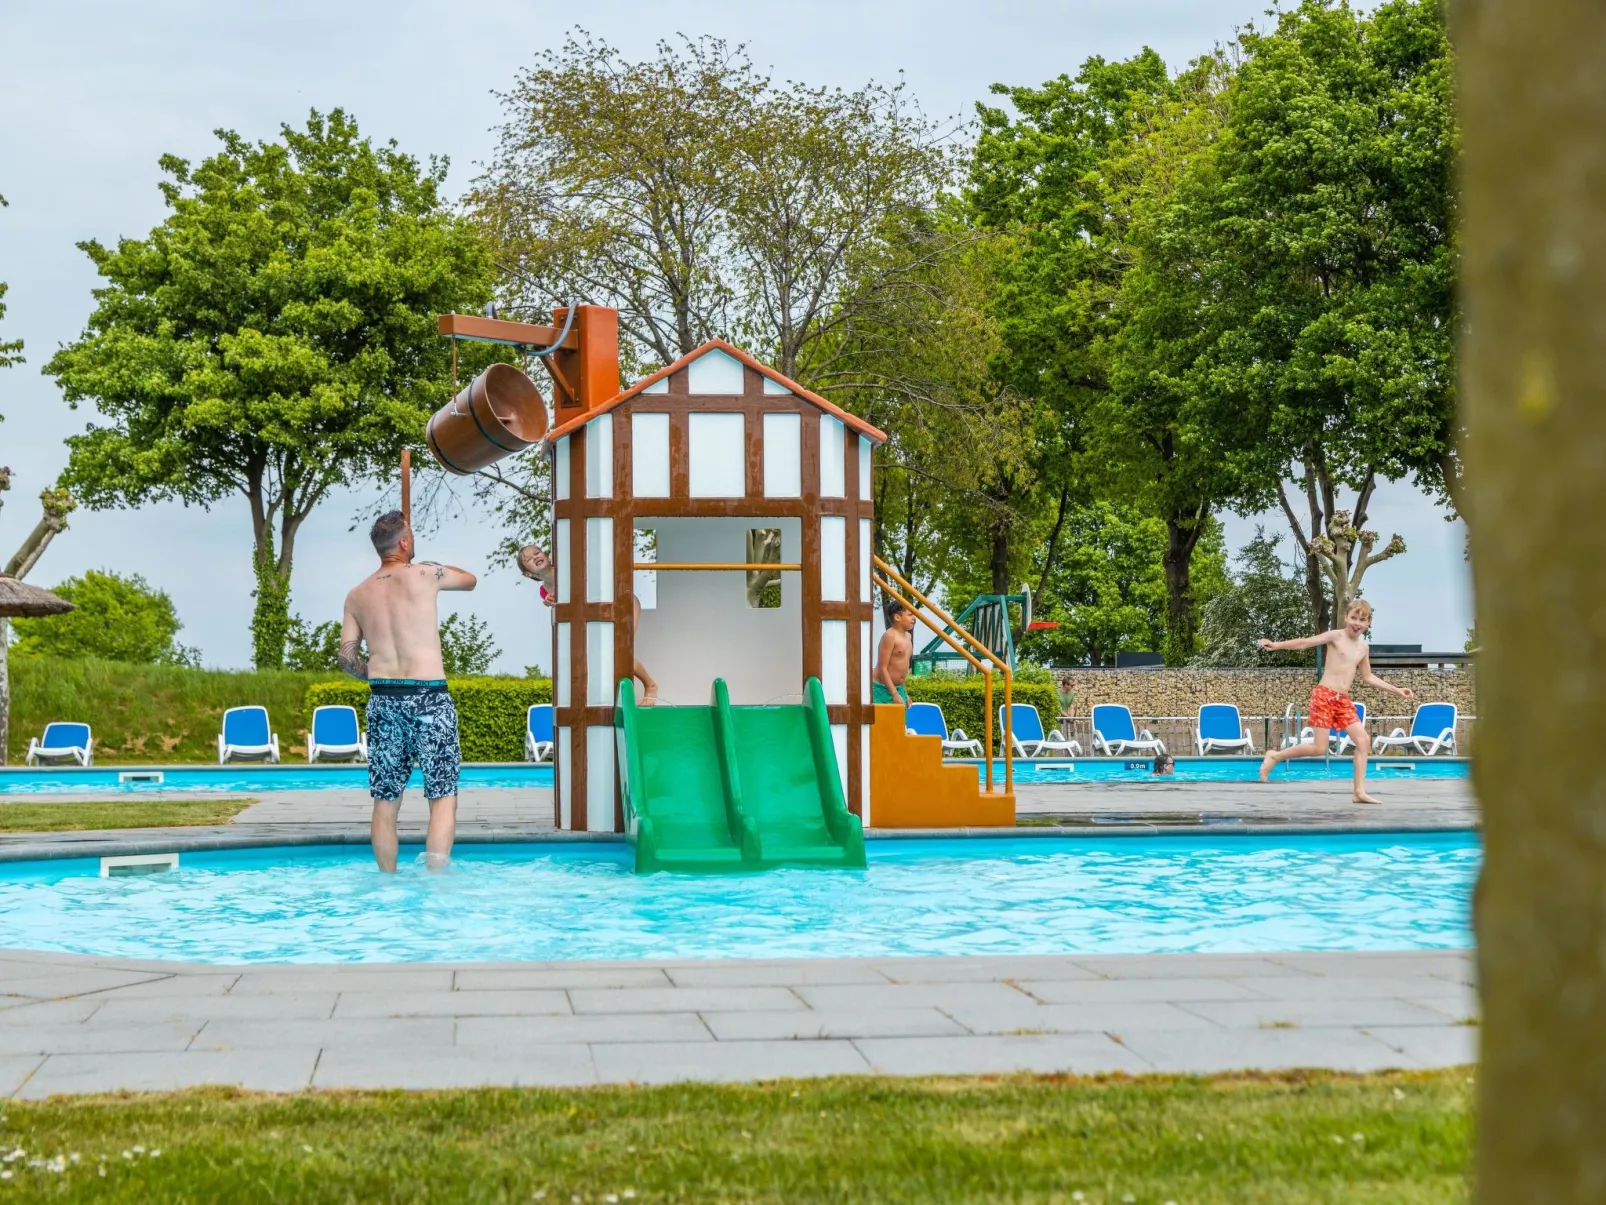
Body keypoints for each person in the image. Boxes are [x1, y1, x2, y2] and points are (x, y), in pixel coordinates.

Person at [339, 511, 477, 872]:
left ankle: (386, 881)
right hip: (429, 696)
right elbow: (471, 580)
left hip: (384, 698)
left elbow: (347, 658)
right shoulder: (424, 573)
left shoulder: (357, 594)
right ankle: (436, 880)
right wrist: (432, 565)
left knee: (385, 801)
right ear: (404, 543)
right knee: (443, 795)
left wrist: (373, 669)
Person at [1255, 599, 1415, 805]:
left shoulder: (1363, 649)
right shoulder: (1335, 636)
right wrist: (1277, 645)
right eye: (1354, 618)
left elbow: (1368, 677)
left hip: (1343, 700)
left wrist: (1397, 690)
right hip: (1324, 695)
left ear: (1369, 623)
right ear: (1346, 617)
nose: (1357, 623)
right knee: (1319, 749)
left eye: (1362, 619)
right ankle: (1275, 756)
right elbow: (1305, 642)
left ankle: (1359, 792)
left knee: (1363, 741)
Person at [517, 544, 658, 706]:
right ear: (528, 574)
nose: (535, 556)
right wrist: (550, 602)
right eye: (529, 558)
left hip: (623, 602)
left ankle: (650, 685)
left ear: (546, 555)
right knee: (608, 656)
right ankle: (620, 697)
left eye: (537, 552)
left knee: (620, 652)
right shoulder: (544, 591)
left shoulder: (566, 569)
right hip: (602, 613)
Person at [873, 599, 917, 707]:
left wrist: (904, 694)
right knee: (882, 722)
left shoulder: (908, 637)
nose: (914, 618)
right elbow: (882, 668)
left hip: (898, 688)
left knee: (900, 721)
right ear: (897, 617)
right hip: (881, 688)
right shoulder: (890, 636)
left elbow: (902, 669)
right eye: (910, 615)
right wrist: (894, 694)